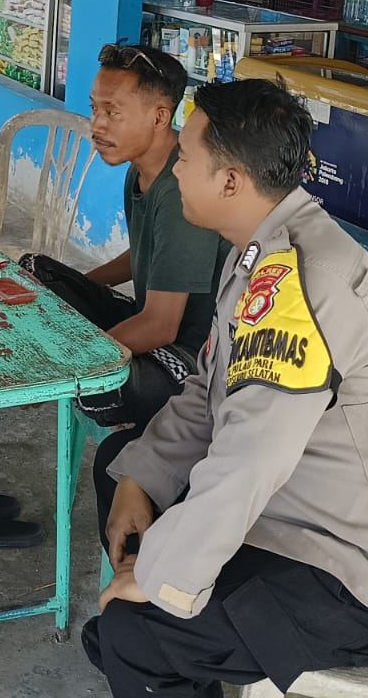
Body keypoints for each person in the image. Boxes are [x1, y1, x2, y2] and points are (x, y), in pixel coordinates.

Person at [86, 79, 368, 698]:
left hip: (361, 579)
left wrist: (163, 574)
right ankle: (158, 631)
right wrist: (140, 480)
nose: (175, 171)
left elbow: (253, 453)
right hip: (305, 518)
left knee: (133, 631)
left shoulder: (297, 284)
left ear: (230, 182)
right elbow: (209, 390)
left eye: (186, 159)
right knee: (121, 464)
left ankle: (149, 639)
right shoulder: (261, 248)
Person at [24, 42, 226, 428]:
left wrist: (73, 361)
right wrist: (76, 293)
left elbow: (161, 326)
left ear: (160, 116)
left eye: (113, 112)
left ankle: (59, 373)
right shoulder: (140, 168)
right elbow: (145, 254)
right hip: (148, 318)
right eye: (95, 109)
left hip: (192, 355)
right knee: (36, 274)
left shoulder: (182, 189)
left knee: (98, 390)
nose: (97, 125)